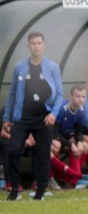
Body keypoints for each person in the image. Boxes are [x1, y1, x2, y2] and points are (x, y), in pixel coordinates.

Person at [2, 32, 63, 201]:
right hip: (22, 117)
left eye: (39, 43)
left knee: (43, 154)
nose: (36, 46)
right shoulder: (19, 67)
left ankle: (40, 191)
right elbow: (12, 94)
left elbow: (59, 95)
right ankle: (14, 188)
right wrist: (7, 118)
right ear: (28, 46)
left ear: (43, 45)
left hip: (44, 117)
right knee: (13, 149)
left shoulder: (52, 67)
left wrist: (53, 113)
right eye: (33, 43)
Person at [52, 85, 88, 189]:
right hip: (54, 137)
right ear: (71, 96)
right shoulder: (61, 109)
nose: (81, 99)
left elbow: (79, 130)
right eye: (78, 96)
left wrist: (79, 142)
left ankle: (74, 181)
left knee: (84, 145)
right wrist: (71, 145)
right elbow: (53, 133)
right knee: (57, 145)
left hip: (66, 138)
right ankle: (64, 179)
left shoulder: (82, 109)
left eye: (83, 97)